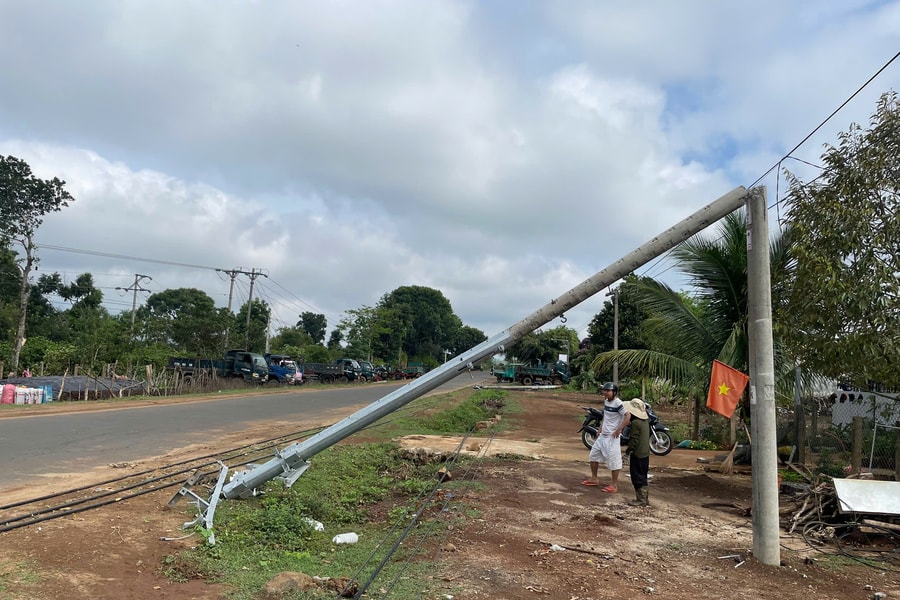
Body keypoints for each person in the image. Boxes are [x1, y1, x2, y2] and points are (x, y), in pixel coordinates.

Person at [583, 381, 630, 493]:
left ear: (614, 392)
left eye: (608, 391)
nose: (606, 393)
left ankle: (614, 485)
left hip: (612, 437)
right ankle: (594, 478)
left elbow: (628, 416)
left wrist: (619, 429)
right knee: (593, 456)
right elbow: (606, 416)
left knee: (614, 461)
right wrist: (600, 428)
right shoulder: (606, 402)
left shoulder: (618, 403)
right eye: (605, 390)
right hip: (603, 435)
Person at [624, 398, 651, 506]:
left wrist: (627, 452)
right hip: (645, 453)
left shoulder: (635, 423)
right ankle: (644, 498)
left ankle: (641, 500)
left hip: (638, 453)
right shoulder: (645, 421)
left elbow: (633, 440)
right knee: (643, 475)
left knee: (637, 476)